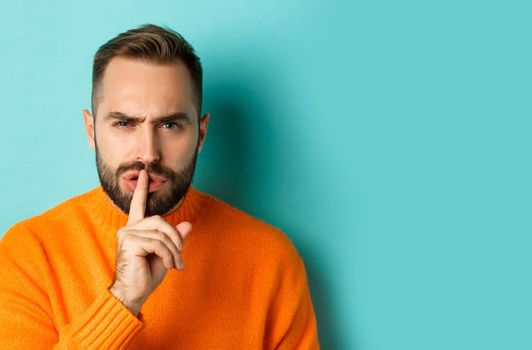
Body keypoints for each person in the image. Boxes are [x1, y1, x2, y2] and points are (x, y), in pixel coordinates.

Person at [0, 24, 320, 349]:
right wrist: (123, 298)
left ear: (202, 134)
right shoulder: (30, 253)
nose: (148, 153)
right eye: (124, 123)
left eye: (169, 125)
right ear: (91, 131)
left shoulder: (272, 259)